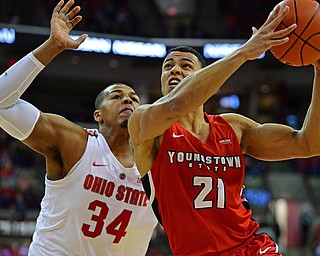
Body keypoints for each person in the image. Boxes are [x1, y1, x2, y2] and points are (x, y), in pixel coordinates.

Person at [128, 4, 320, 255]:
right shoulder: (145, 124)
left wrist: (319, 69)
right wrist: (243, 53)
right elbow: (177, 104)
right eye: (168, 66)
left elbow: (308, 143)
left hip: (251, 248)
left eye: (186, 65)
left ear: (203, 77)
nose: (174, 69)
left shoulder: (233, 127)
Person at [0, 0, 158, 255]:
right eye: (117, 96)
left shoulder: (158, 167)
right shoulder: (74, 143)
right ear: (98, 115)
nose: (128, 99)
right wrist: (53, 47)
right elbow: (1, 103)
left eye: (133, 97)